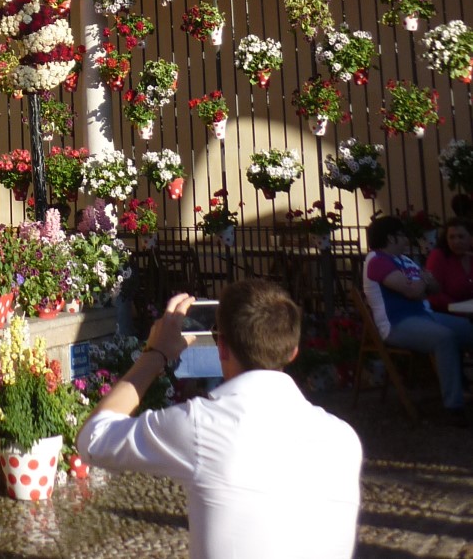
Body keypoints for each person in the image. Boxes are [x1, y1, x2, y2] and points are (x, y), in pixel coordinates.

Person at [77, 280, 362, 559]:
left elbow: (93, 439)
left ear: (221, 347)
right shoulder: (345, 439)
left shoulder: (203, 424)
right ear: (293, 352)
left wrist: (156, 354)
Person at [363, 212, 473, 419]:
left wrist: (422, 282)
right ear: (391, 237)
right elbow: (413, 291)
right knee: (444, 338)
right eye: (402, 235)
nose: (406, 239)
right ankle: (454, 407)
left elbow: (434, 287)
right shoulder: (377, 260)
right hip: (397, 324)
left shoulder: (404, 260)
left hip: (424, 316)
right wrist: (422, 282)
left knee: (469, 329)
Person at [425, 216, 473, 311]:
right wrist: (462, 309)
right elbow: (435, 295)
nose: (456, 241)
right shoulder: (438, 256)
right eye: (451, 237)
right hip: (447, 312)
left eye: (461, 236)